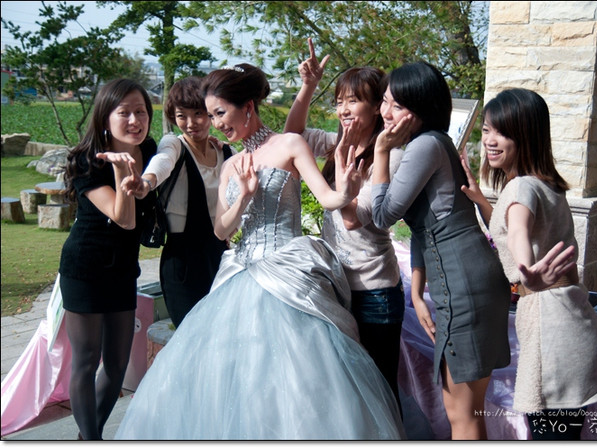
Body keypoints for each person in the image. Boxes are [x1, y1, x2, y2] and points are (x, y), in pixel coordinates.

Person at [115, 63, 405, 440]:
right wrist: (242, 198)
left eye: (220, 113)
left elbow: (329, 198)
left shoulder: (290, 145)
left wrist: (347, 189)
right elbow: (221, 229)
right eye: (211, 115)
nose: (216, 123)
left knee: (299, 379)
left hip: (289, 274)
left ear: (248, 107)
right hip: (240, 275)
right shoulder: (231, 163)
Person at [370, 61, 511, 440]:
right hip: (472, 279)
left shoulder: (425, 145)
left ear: (421, 109)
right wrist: (417, 292)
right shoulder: (437, 142)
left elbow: (383, 215)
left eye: (398, 105)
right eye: (385, 101)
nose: (386, 112)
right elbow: (423, 227)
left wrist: (380, 152)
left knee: (461, 414)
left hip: (464, 284)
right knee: (469, 411)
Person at [460, 88, 597, 440]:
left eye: (502, 132)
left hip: (553, 334)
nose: (490, 140)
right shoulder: (547, 186)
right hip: (573, 327)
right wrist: (481, 200)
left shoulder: (520, 188)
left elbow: (518, 233)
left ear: (526, 136)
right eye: (486, 130)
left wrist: (527, 269)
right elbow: (512, 228)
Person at [283, 38, 405, 407]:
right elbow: (292, 136)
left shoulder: (391, 157)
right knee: (348, 390)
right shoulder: (335, 142)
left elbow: (353, 219)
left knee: (380, 390)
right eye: (339, 101)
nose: (343, 109)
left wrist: (340, 173)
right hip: (335, 285)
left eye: (353, 100)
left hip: (374, 291)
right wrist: (308, 86)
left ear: (377, 106)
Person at [59, 78, 157, 440]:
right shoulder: (87, 161)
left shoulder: (150, 150)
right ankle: (92, 440)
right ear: (105, 117)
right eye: (124, 112)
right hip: (85, 269)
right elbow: (124, 218)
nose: (134, 120)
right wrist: (119, 169)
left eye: (141, 112)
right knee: (86, 362)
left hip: (122, 271)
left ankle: (87, 437)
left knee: (117, 366)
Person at [123, 76, 235, 327]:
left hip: (221, 258)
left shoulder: (226, 152)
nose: (191, 123)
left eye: (198, 114)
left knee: (222, 331)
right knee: (189, 332)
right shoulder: (174, 144)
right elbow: (162, 162)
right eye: (182, 116)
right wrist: (146, 183)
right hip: (182, 262)